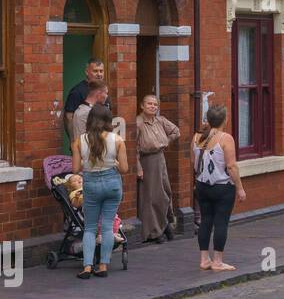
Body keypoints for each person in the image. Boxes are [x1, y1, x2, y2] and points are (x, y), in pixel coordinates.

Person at [71, 103, 129, 279]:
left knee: (89, 227)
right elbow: (125, 169)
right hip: (112, 183)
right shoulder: (117, 140)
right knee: (107, 226)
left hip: (92, 183)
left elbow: (75, 169)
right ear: (108, 120)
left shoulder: (79, 141)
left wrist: (87, 162)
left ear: (89, 120)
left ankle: (87, 267)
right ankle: (103, 265)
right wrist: (115, 164)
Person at [191, 105, 245, 271]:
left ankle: (204, 259)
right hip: (222, 187)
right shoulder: (225, 138)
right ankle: (218, 261)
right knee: (221, 222)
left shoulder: (196, 137)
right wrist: (240, 188)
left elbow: (193, 163)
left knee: (206, 220)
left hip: (201, 185)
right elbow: (231, 167)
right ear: (225, 120)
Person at [134, 94, 180, 242]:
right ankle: (153, 231)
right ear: (142, 105)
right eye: (149, 104)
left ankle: (164, 224)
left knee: (165, 193)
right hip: (147, 162)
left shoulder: (160, 120)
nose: (153, 107)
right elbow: (133, 148)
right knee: (151, 197)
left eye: (155, 104)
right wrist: (138, 167)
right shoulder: (138, 123)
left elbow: (176, 131)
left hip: (160, 159)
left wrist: (166, 140)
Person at [64, 57, 108, 140]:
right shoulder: (77, 91)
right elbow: (68, 118)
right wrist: (73, 141)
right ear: (87, 72)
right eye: (95, 71)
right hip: (83, 143)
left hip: (102, 142)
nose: (99, 74)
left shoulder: (104, 91)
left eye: (101, 71)